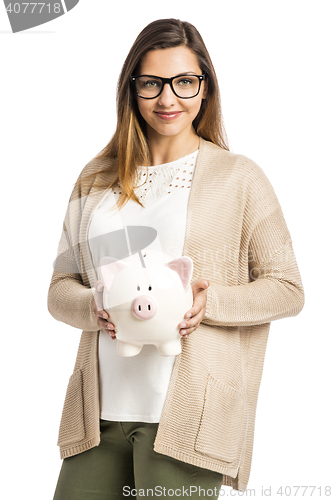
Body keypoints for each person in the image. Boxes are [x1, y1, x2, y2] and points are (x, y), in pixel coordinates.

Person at [48, 18, 305, 499]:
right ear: (132, 89)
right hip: (97, 415)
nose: (168, 99)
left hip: (185, 417)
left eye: (185, 82)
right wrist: (94, 305)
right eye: (151, 83)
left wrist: (209, 303)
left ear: (205, 88)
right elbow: (59, 290)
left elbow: (287, 288)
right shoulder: (95, 177)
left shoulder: (239, 178)